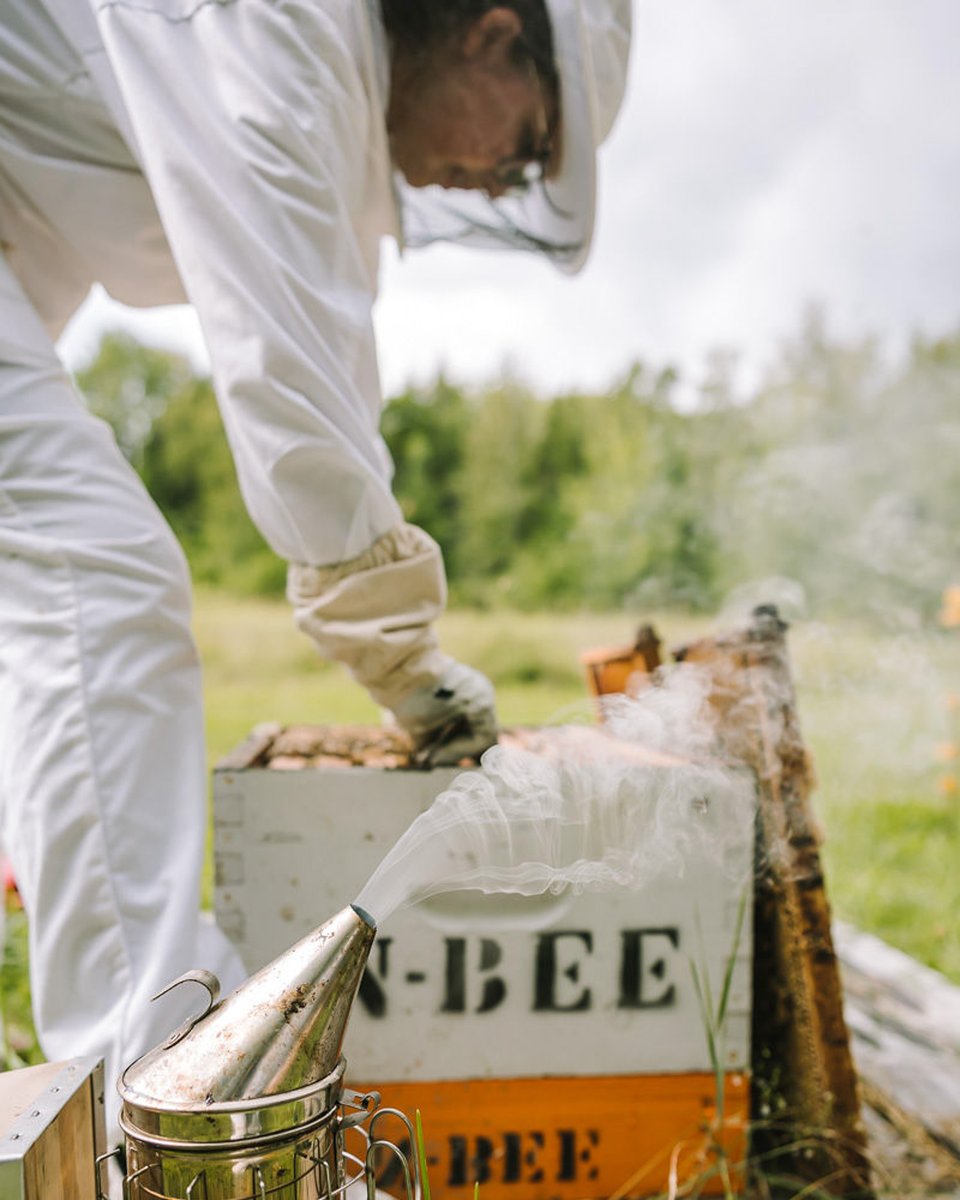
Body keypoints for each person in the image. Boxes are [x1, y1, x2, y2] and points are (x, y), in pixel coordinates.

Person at [0, 0, 632, 1147]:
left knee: (65, 569)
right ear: (493, 32)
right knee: (99, 564)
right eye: (532, 141)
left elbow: (330, 368)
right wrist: (407, 662)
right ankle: (150, 1111)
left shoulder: (320, 77)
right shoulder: (290, 27)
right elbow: (295, 397)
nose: (503, 181)